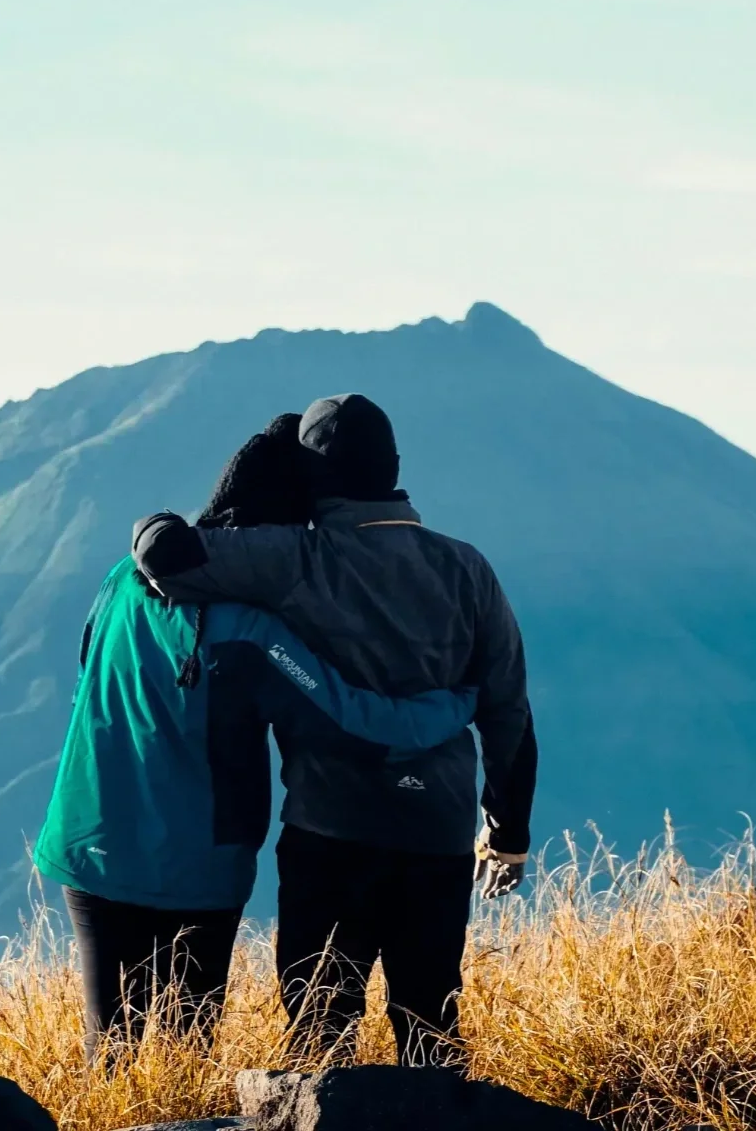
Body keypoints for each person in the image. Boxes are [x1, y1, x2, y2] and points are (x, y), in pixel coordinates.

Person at [33, 414, 476, 1062]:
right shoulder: (252, 631)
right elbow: (354, 718)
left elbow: (85, 676)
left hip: (87, 841)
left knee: (112, 1051)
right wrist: (455, 703)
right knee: (187, 1057)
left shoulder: (121, 578)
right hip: (196, 867)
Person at [132, 393, 537, 1064]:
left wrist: (156, 520)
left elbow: (167, 555)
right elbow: (509, 710)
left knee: (320, 1034)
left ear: (313, 479)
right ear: (396, 467)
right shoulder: (467, 568)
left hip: (333, 835)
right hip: (436, 835)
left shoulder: (294, 557)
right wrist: (508, 835)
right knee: (431, 1029)